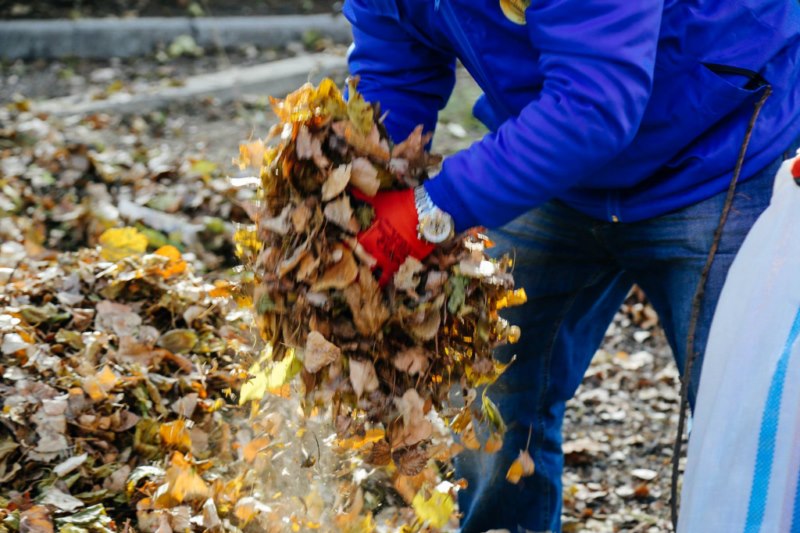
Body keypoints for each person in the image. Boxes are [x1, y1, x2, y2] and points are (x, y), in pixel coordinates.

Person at [342, 0, 800, 531]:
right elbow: (396, 64)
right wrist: (365, 188)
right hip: (553, 162)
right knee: (491, 380)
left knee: (751, 423)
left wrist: (426, 213)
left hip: (716, 146)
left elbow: (595, 106)